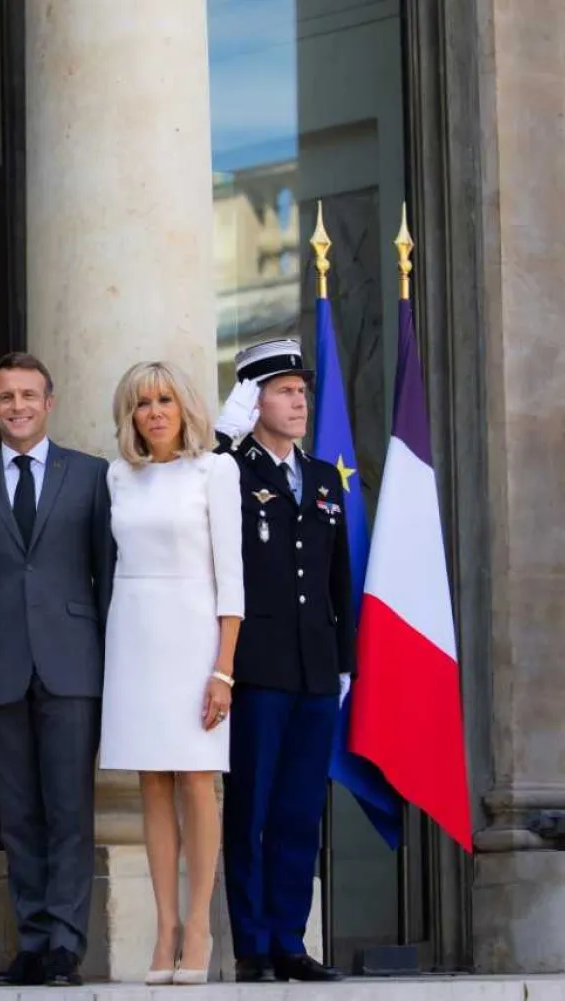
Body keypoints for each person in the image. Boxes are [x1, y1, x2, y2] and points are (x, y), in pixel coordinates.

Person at [0, 351, 113, 988]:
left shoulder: (92, 476)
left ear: (49, 402)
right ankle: (32, 941)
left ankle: (65, 946)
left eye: (28, 396)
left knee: (69, 809)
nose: (17, 407)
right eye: (5, 397)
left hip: (73, 663)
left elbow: (107, 577)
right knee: (17, 814)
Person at [97, 361, 242, 985]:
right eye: (142, 403)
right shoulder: (117, 477)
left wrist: (224, 669)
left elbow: (232, 575)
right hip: (133, 630)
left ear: (184, 407)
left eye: (164, 399)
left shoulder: (217, 470)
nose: (154, 411)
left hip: (195, 633)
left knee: (197, 778)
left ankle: (201, 925)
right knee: (151, 780)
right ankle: (164, 931)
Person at [212, 338, 351, 983]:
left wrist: (343, 661)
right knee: (252, 809)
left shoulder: (323, 477)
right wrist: (221, 438)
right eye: (284, 391)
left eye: (302, 392)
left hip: (314, 667)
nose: (299, 402)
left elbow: (336, 578)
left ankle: (291, 940)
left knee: (299, 811)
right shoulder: (229, 470)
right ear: (254, 399)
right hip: (257, 664)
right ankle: (253, 945)